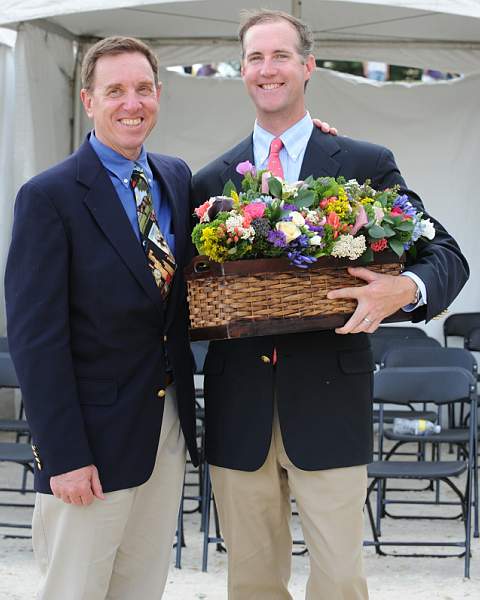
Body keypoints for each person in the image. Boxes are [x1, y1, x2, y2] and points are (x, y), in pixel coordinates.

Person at [192, 9, 469, 600]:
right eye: (254, 58)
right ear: (240, 71)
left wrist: (404, 291)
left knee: (342, 583)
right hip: (237, 412)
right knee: (251, 584)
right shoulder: (208, 182)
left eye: (281, 56)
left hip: (330, 403)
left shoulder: (363, 164)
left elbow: (446, 255)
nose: (267, 69)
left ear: (309, 66)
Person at [5, 36, 198, 600]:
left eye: (142, 89)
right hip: (87, 444)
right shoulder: (48, 197)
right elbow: (36, 340)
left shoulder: (177, 178)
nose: (130, 103)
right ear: (88, 100)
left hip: (164, 431)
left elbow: (247, 193)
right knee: (75, 590)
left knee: (141, 588)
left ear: (159, 95)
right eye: (114, 91)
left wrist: (306, 131)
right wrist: (63, 455)